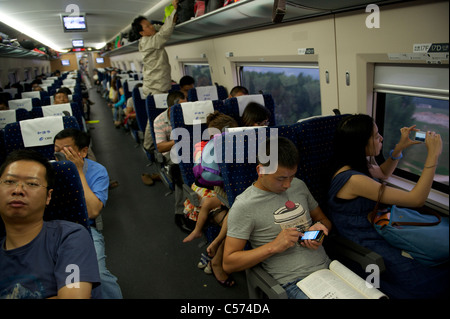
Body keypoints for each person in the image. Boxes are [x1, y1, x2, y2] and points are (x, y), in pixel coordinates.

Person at [328, 114, 449, 299]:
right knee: (425, 277)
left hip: (379, 228)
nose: (381, 138)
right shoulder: (353, 179)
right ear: (361, 143)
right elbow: (416, 199)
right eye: (376, 136)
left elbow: (383, 172)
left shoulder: (358, 165)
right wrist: (433, 155)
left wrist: (399, 148)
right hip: (366, 241)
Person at [223, 137, 332, 299]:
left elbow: (325, 221)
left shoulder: (299, 185)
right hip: (294, 282)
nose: (288, 185)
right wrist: (274, 246)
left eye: (292, 176)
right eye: (281, 178)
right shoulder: (244, 206)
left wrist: (320, 230)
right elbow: (229, 263)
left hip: (329, 270)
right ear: (260, 171)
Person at [0, 149, 101, 298]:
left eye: (32, 184)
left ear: (48, 196)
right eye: (9, 181)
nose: (18, 190)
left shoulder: (69, 237)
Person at [54, 128, 123, 299]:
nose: (59, 154)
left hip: (84, 229)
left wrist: (77, 172)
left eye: (66, 150)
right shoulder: (44, 170)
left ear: (83, 151)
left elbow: (92, 211)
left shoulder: (97, 171)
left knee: (98, 275)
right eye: (56, 149)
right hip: (48, 229)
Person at [131, 0, 178, 97]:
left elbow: (158, 27)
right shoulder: (148, 42)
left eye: (150, 24)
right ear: (141, 32)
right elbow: (165, 32)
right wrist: (174, 9)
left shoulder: (147, 38)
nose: (151, 26)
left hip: (157, 85)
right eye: (147, 26)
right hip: (155, 88)